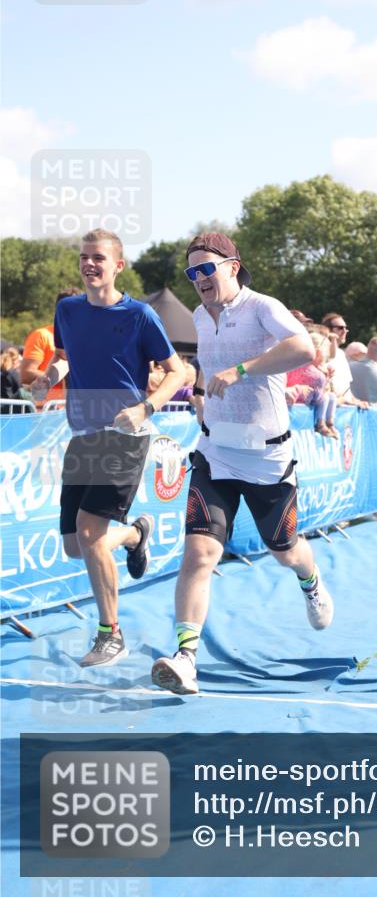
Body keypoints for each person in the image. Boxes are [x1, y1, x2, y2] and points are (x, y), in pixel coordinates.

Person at [151, 232, 334, 696]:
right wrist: (199, 392)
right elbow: (210, 368)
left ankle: (311, 582)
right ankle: (186, 658)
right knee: (199, 553)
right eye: (192, 272)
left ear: (233, 266)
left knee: (285, 551)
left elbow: (303, 350)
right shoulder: (197, 315)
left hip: (268, 459)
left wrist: (243, 370)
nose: (199, 279)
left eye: (206, 269)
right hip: (215, 454)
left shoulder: (261, 306)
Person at [31, 229, 186, 668]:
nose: (89, 264)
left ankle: (110, 635)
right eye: (84, 257)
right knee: (75, 546)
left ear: (118, 265)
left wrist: (146, 408)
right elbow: (68, 356)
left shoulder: (139, 316)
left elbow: (178, 371)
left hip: (125, 436)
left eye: (98, 257)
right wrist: (51, 375)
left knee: (88, 530)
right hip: (82, 437)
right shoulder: (67, 309)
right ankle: (135, 533)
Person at [20, 289, 82, 407]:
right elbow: (26, 374)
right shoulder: (41, 335)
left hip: (72, 411)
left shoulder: (82, 339)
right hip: (45, 412)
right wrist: (60, 375)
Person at [287, 330, 339, 438]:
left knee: (331, 396)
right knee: (327, 397)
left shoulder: (292, 363)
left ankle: (328, 423)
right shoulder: (315, 374)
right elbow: (318, 397)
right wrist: (326, 379)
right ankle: (322, 423)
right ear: (319, 353)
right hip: (299, 401)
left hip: (295, 399)